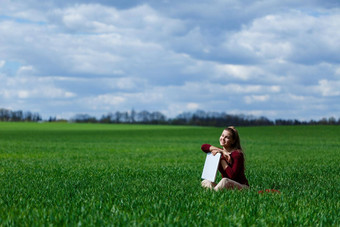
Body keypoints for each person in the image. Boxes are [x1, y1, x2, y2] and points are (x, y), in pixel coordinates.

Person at [201, 126, 249, 191]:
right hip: (228, 187)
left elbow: (231, 176)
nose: (223, 138)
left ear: (233, 141)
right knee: (206, 181)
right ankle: (214, 192)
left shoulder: (237, 154)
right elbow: (203, 147)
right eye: (222, 135)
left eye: (227, 137)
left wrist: (221, 158)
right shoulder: (221, 151)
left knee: (225, 181)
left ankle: (212, 195)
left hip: (241, 187)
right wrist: (222, 151)